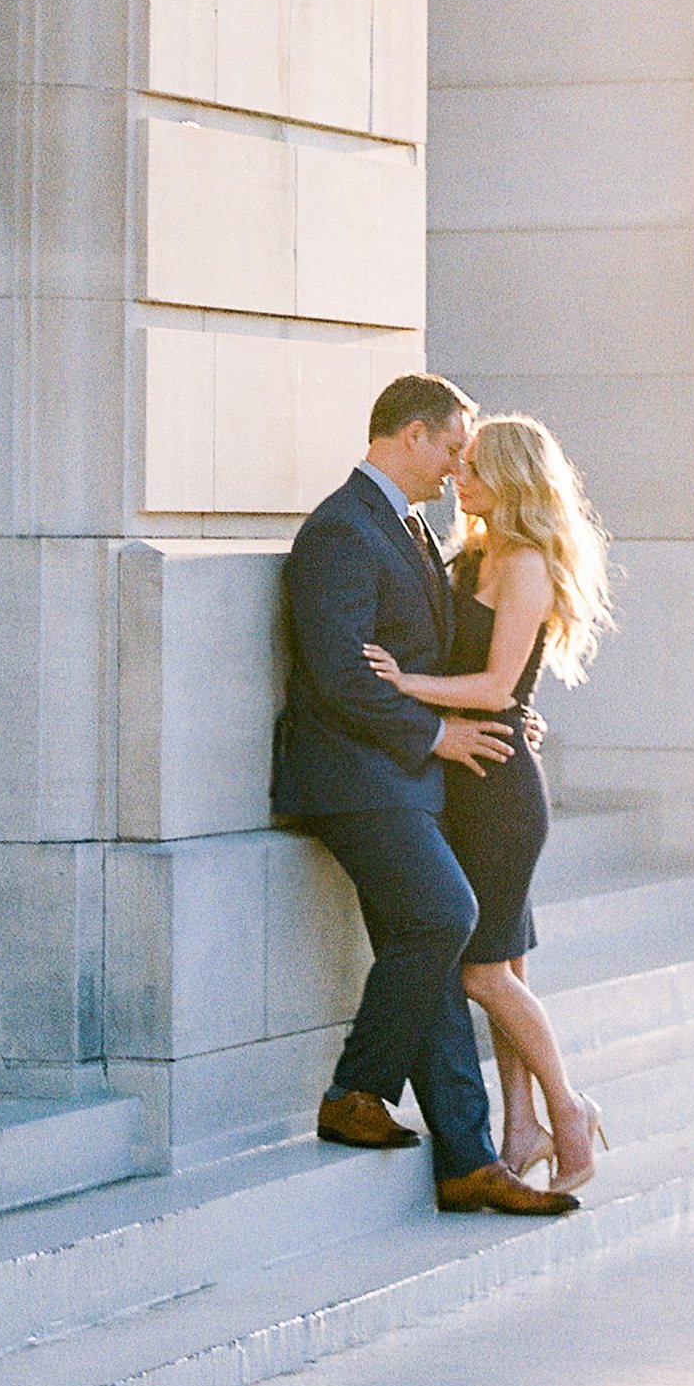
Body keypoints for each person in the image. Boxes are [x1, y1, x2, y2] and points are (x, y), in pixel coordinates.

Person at [269, 375, 579, 1218]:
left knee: (442, 951)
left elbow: (477, 653)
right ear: (410, 435)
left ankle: (467, 1160)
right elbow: (339, 675)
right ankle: (353, 1092)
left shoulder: (413, 530)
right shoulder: (341, 530)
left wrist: (513, 710)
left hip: (413, 780)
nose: (454, 468)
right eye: (449, 447)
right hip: (355, 779)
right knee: (447, 917)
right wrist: (436, 734)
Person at [364, 412, 614, 1193]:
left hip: (500, 788)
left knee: (480, 974)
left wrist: (403, 685)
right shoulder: (471, 551)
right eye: (458, 462)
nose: (457, 477)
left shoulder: (528, 562)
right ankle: (523, 1123)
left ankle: (569, 1108)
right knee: (504, 962)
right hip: (463, 783)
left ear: (509, 479)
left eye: (472, 467)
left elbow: (499, 685)